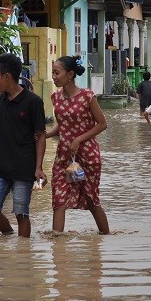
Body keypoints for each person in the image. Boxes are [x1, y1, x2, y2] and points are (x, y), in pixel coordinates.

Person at [0, 53, 47, 238]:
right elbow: (0, 136)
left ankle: (23, 250)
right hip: (1, 166)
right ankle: (8, 236)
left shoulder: (33, 102)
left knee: (21, 214)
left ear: (7, 76)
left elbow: (41, 136)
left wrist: (38, 168)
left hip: (24, 168)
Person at [47, 55, 110, 234]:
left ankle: (105, 237)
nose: (54, 76)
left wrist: (78, 139)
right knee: (58, 198)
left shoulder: (87, 96)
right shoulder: (55, 97)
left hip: (87, 156)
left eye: (57, 73)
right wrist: (46, 135)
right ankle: (57, 242)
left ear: (70, 74)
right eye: (53, 73)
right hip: (64, 156)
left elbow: (102, 124)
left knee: (91, 199)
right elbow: (63, 125)